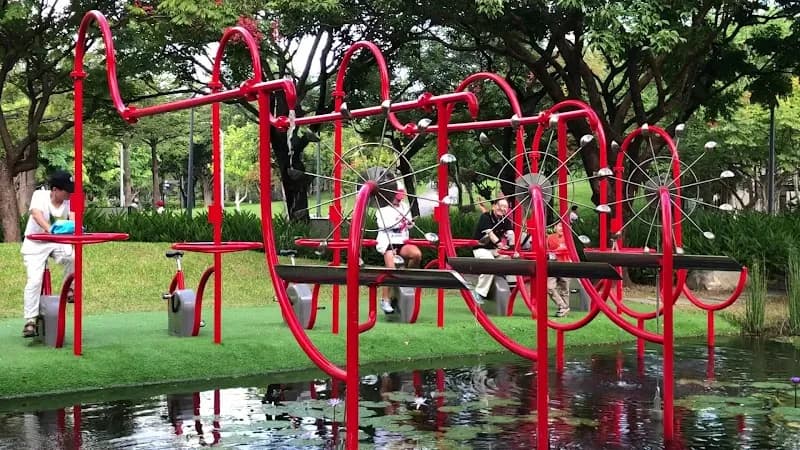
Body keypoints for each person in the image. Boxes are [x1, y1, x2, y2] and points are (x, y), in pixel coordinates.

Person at [20, 169, 75, 338]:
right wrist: (50, 229)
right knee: (34, 281)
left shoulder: (70, 201)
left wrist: (72, 229)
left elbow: (73, 220)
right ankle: (30, 320)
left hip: (56, 242)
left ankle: (70, 290)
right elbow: (36, 214)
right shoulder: (39, 195)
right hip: (35, 243)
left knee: (71, 257)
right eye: (66, 190)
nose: (69, 194)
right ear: (55, 190)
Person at [375, 188, 422, 314]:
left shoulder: (405, 206)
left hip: (402, 241)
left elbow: (409, 225)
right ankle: (385, 299)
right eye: (398, 193)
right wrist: (401, 222)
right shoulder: (382, 210)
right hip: (388, 242)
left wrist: (409, 223)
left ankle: (404, 279)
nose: (400, 196)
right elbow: (384, 225)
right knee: (391, 268)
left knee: (416, 254)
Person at [471, 198, 514, 303]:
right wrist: (500, 244)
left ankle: (511, 286)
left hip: (494, 250)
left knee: (510, 259)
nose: (502, 208)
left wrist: (512, 247)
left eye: (505, 207)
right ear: (494, 206)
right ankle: (479, 292)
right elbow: (490, 234)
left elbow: (511, 234)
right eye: (500, 206)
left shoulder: (505, 220)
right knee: (489, 262)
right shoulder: (485, 217)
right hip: (481, 249)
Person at [547, 222, 570, 317]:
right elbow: (546, 250)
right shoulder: (549, 238)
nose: (562, 228)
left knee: (564, 289)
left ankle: (563, 310)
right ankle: (563, 306)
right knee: (549, 287)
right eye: (560, 226)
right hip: (553, 264)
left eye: (564, 226)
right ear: (555, 227)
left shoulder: (570, 239)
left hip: (566, 265)